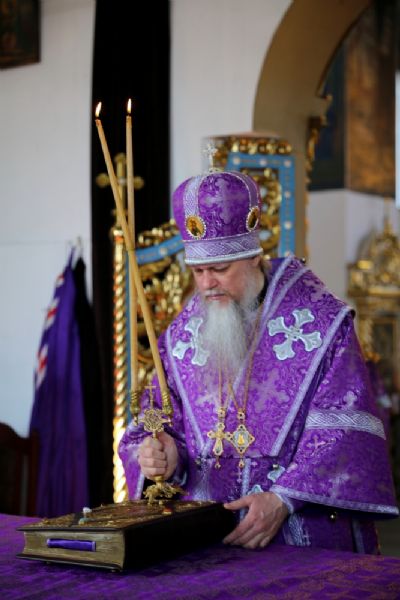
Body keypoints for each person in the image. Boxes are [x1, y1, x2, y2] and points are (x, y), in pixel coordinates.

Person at [119, 168, 399, 554]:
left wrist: (284, 498)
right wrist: (163, 457)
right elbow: (156, 427)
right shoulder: (180, 337)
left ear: (254, 257)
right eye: (198, 271)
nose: (207, 284)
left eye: (220, 269)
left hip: (298, 534)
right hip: (206, 536)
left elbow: (345, 430)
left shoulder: (322, 324)